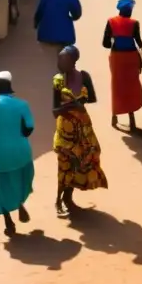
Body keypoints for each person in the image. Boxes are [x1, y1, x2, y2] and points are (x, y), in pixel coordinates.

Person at [52, 46, 108, 215]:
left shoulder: (84, 77)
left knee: (82, 162)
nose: (59, 62)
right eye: (59, 59)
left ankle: (68, 198)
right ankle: (58, 201)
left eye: (63, 59)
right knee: (65, 165)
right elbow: (55, 111)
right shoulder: (57, 80)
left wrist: (81, 103)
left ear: (73, 61)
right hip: (65, 131)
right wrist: (73, 105)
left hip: (83, 129)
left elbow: (92, 98)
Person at [0, 71, 34, 236]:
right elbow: (28, 129)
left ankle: (9, 223)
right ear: (11, 86)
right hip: (21, 151)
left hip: (0, 154)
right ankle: (20, 201)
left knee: (1, 188)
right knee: (23, 179)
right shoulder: (22, 105)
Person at [103, 0, 142, 131]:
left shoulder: (111, 22)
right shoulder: (134, 23)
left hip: (117, 58)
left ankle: (114, 117)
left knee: (117, 85)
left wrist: (115, 42)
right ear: (130, 10)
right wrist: (140, 60)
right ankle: (131, 119)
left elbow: (105, 43)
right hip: (131, 57)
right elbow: (139, 43)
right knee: (131, 86)